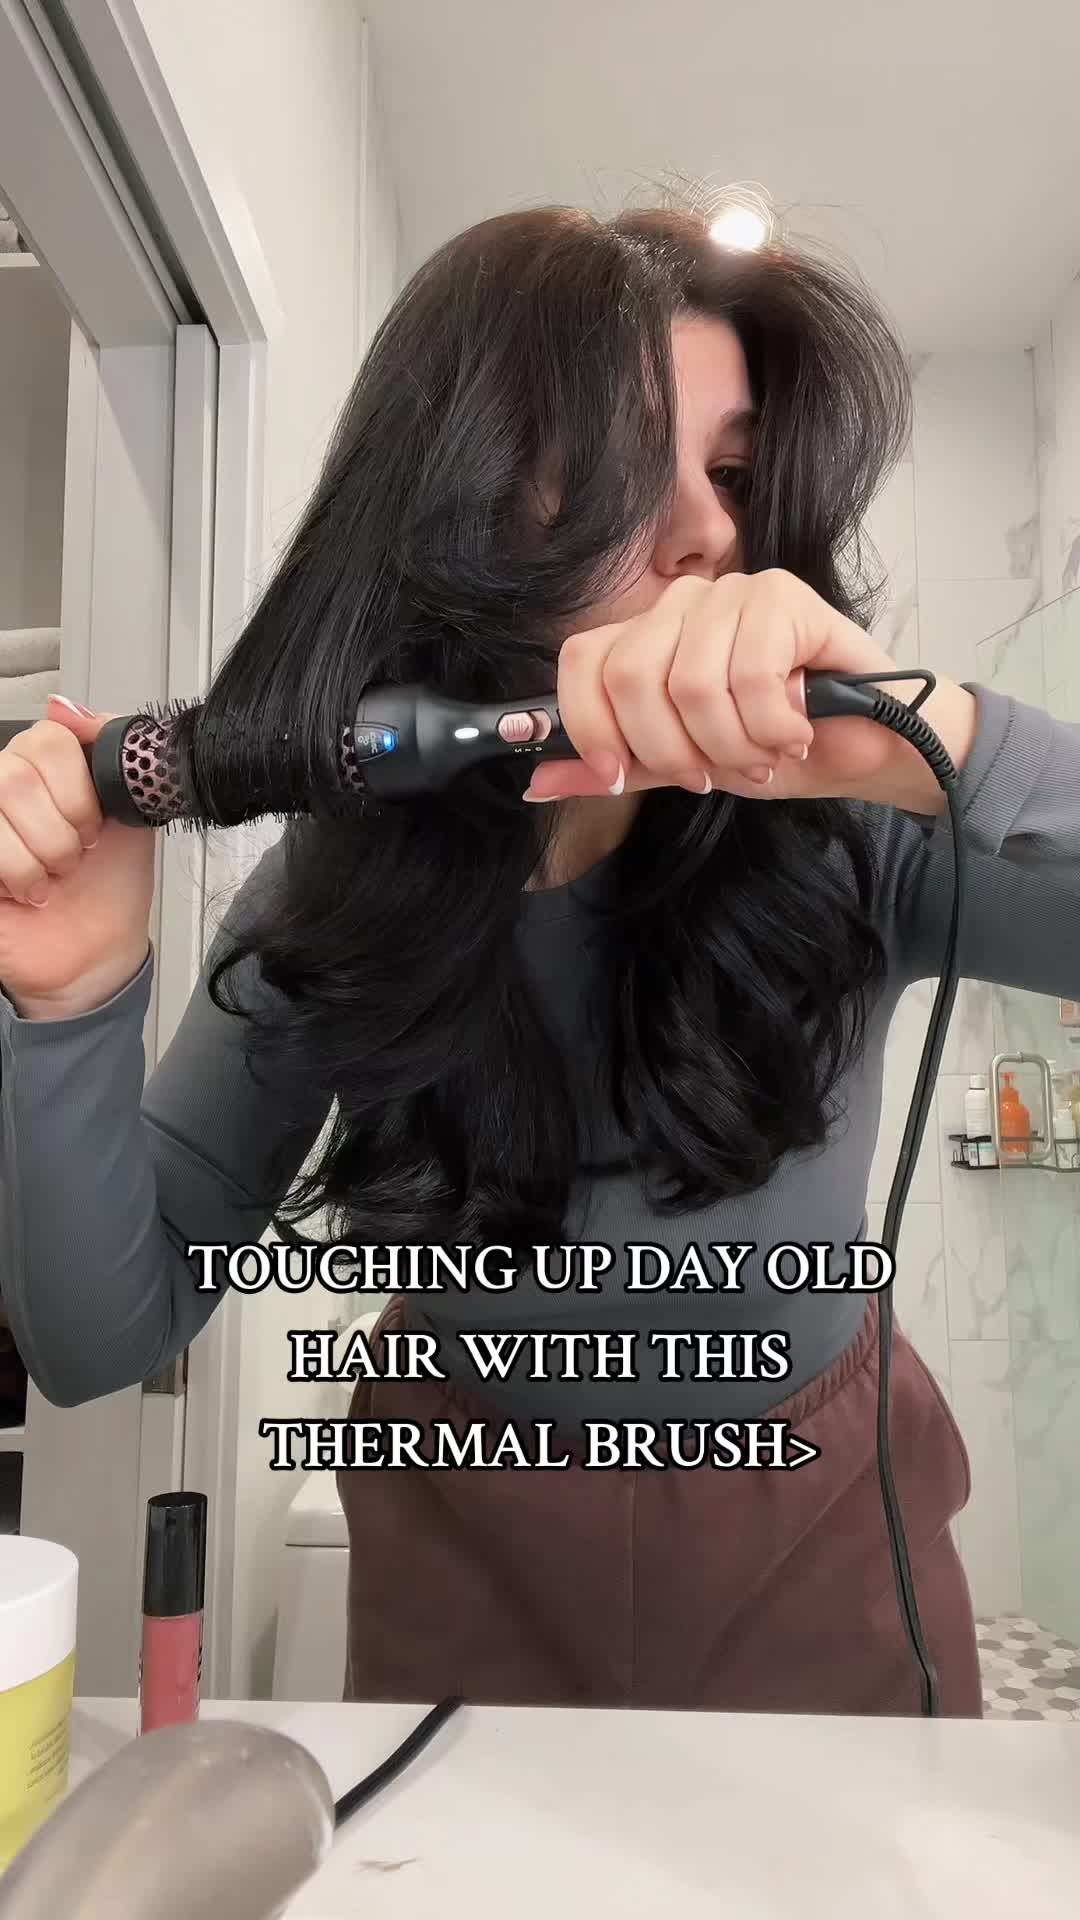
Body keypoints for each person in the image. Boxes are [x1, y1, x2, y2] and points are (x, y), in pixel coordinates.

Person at [1, 201, 1077, 1718]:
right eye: (626, 466)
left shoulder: (862, 836)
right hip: (463, 1560)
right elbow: (93, 1335)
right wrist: (70, 1002)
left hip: (824, 1552)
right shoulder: (338, 891)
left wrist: (934, 736)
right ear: (460, 508)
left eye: (735, 475)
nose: (709, 530)